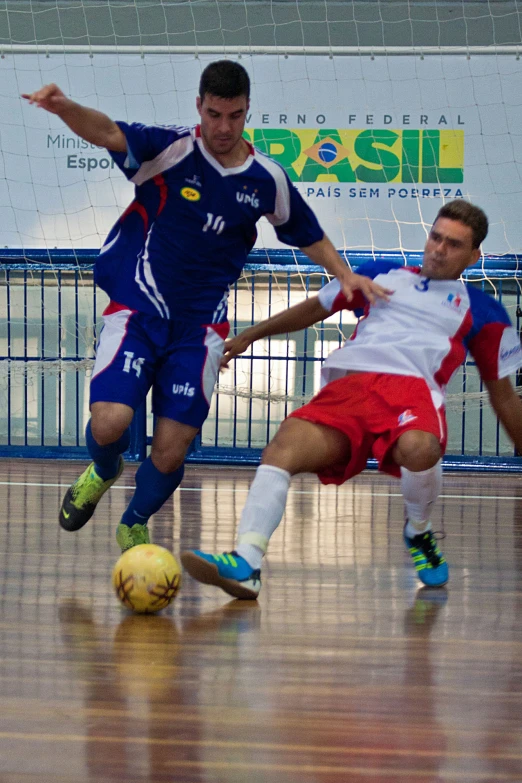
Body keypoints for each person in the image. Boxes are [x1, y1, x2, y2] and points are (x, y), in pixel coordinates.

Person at [23, 61, 387, 552]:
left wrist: (344, 275)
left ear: (246, 112)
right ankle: (104, 469)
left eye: (234, 116)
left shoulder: (266, 179)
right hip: (138, 312)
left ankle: (134, 520)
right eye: (214, 114)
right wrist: (64, 108)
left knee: (171, 452)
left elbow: (306, 231)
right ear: (199, 106)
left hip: (200, 332)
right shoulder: (171, 150)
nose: (223, 127)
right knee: (110, 421)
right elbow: (107, 131)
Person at [181, 200, 522, 596]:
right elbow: (316, 307)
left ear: (474, 255)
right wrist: (248, 335)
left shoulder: (486, 312)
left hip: (410, 390)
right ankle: (246, 562)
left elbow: (504, 396)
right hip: (349, 387)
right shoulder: (379, 274)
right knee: (283, 447)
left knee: (421, 448)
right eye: (436, 237)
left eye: (453, 244)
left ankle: (419, 531)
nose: (438, 249)